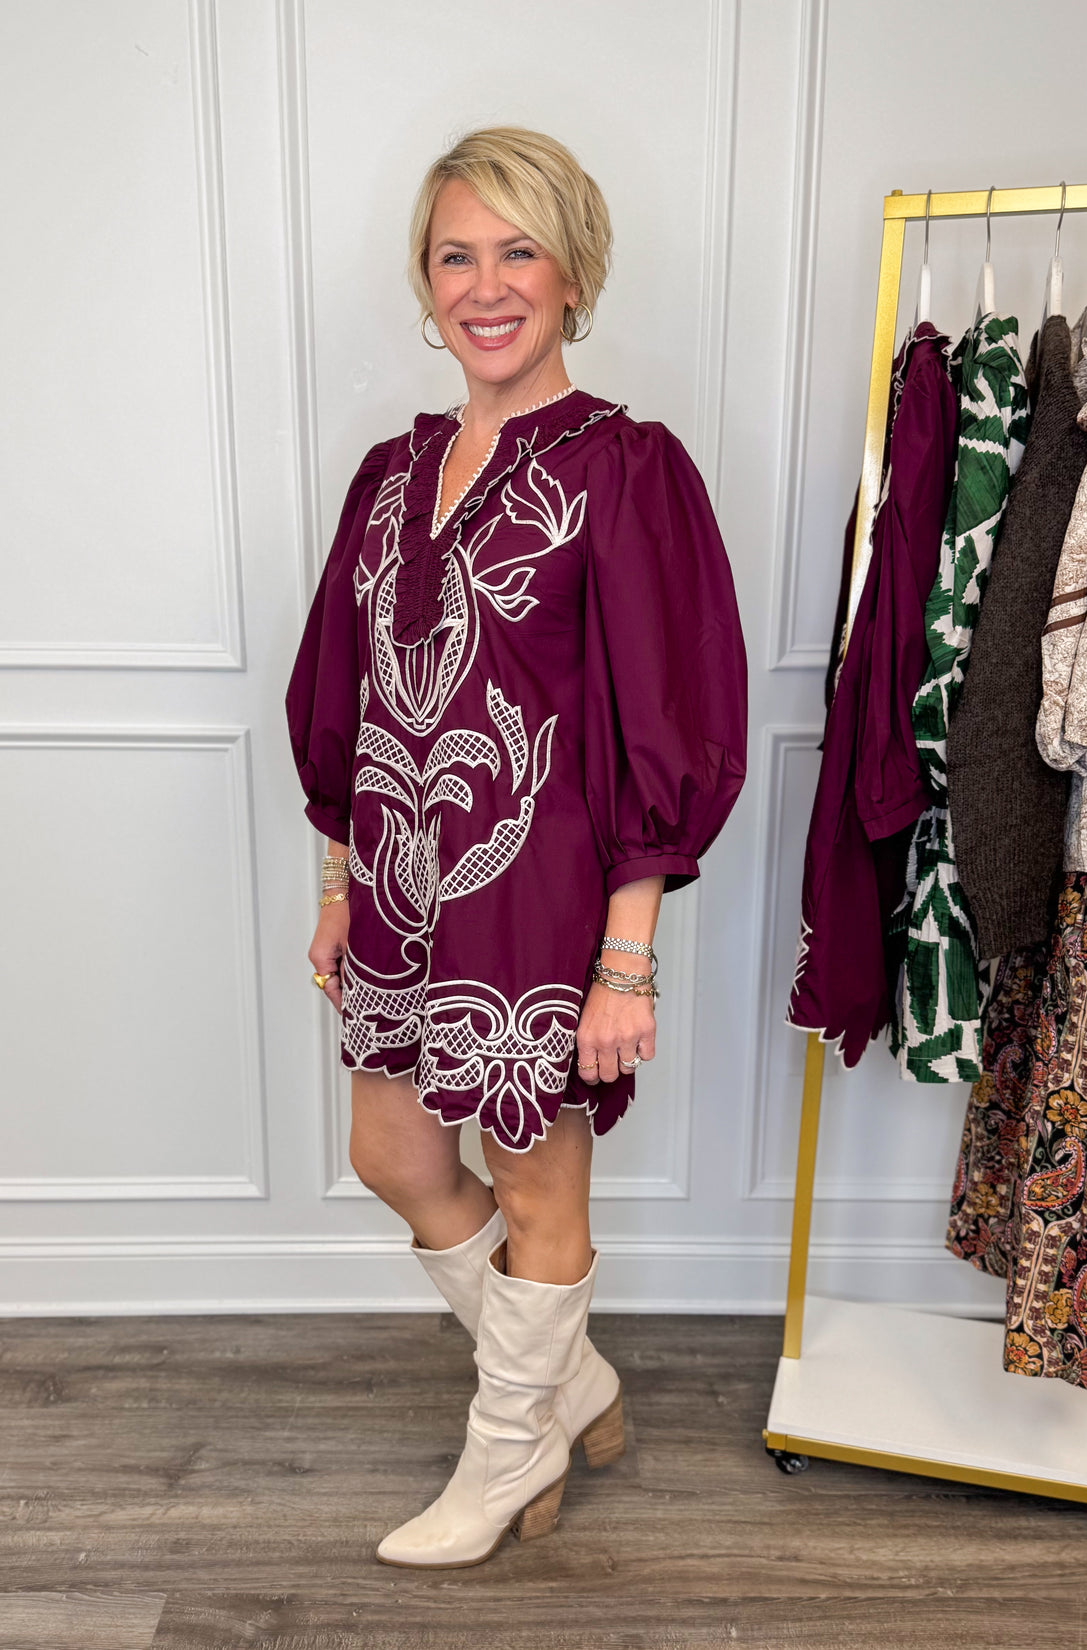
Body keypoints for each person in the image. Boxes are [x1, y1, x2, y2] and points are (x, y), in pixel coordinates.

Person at [285, 125, 747, 1569]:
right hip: (402, 893)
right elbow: (341, 690)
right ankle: (572, 1379)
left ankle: (505, 1455)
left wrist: (629, 958)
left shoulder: (625, 467)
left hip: (542, 900)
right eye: (456, 256)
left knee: (535, 1179)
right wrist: (340, 880)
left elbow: (661, 719)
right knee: (388, 1146)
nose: (487, 286)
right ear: (428, 286)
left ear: (573, 270)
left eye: (518, 251)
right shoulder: (389, 471)